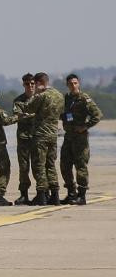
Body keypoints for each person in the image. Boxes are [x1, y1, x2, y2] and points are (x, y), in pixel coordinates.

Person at [60, 73, 103, 204]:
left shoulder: (84, 98)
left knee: (80, 166)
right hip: (68, 137)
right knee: (65, 165)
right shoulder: (66, 98)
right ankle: (71, 193)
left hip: (80, 138)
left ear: (78, 84)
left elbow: (97, 115)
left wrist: (85, 126)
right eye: (70, 84)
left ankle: (82, 195)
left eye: (75, 83)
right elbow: (63, 113)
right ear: (67, 85)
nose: (73, 85)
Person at [26, 72, 66, 205]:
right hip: (53, 135)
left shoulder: (41, 96)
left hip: (41, 135)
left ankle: (42, 195)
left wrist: (36, 94)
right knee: (51, 164)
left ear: (38, 83)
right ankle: (55, 194)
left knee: (39, 165)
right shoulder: (59, 95)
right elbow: (61, 112)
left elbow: (29, 108)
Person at [12, 73, 39, 204]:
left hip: (38, 137)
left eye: (32, 84)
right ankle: (24, 194)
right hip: (23, 138)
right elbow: (18, 115)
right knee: (23, 167)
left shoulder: (40, 98)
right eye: (27, 84)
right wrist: (34, 115)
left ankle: (42, 192)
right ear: (23, 85)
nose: (30, 86)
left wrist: (28, 115)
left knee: (38, 166)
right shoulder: (19, 100)